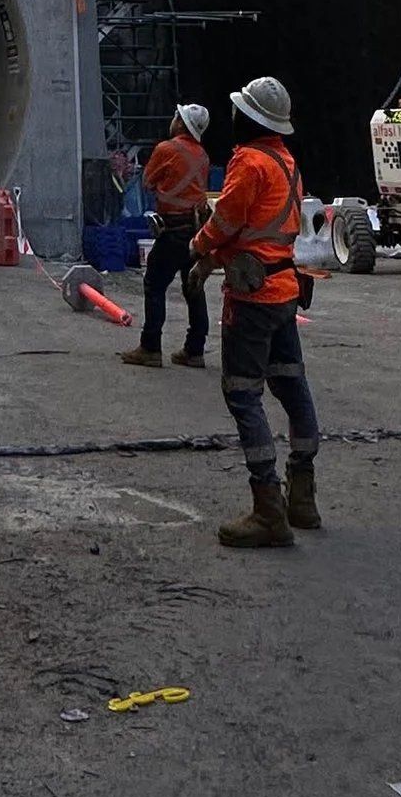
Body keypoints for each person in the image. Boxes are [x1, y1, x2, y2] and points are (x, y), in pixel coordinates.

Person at [191, 75, 321, 548]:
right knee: (291, 385)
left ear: (248, 118)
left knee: (243, 393)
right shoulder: (286, 162)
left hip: (253, 298)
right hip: (284, 289)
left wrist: (198, 246)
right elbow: (262, 229)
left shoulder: (248, 162)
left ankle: (268, 510)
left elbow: (227, 220)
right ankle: (302, 498)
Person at [123, 101, 212, 367]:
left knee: (154, 284)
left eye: (176, 117)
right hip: (196, 230)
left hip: (172, 229)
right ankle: (195, 350)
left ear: (181, 123)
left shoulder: (166, 149)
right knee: (193, 287)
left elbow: (148, 182)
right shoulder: (203, 156)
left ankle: (150, 347)